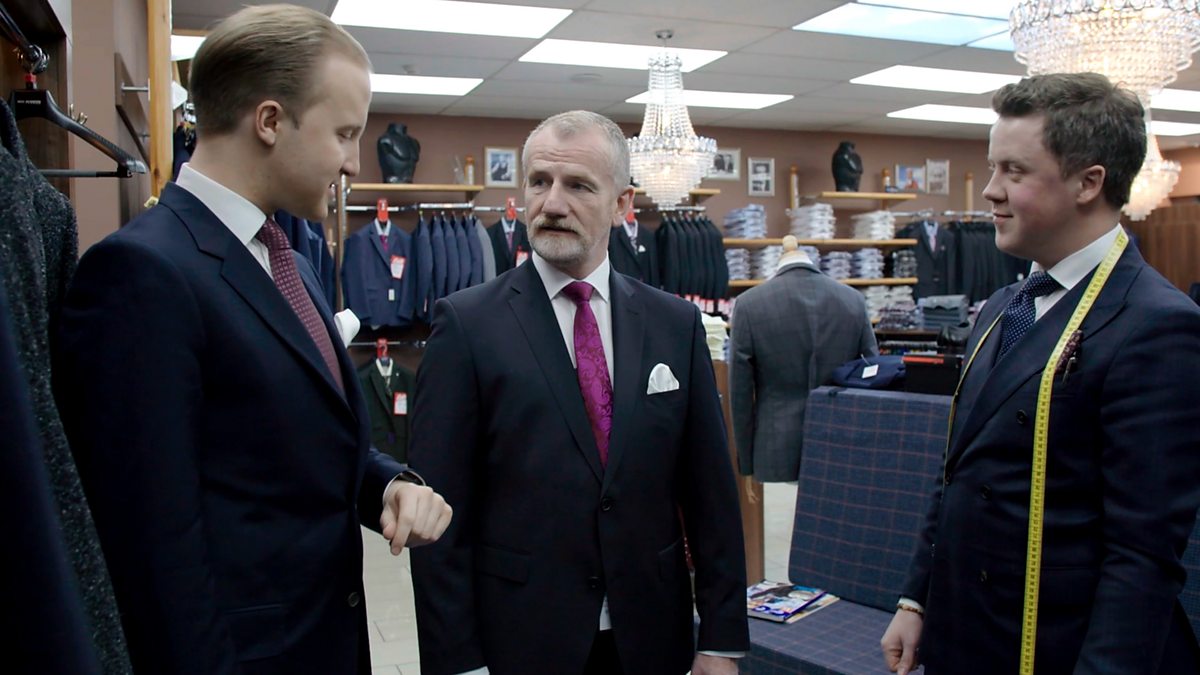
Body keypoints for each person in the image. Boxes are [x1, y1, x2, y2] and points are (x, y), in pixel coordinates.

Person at [53, 5, 451, 673]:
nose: (354, 163)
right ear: (269, 121)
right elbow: (151, 546)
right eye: (344, 134)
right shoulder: (142, 273)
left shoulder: (285, 259)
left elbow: (299, 446)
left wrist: (386, 485)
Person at [881, 72, 1200, 675]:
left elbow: (1142, 556)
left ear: (1088, 183)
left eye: (1014, 171)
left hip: (1059, 645)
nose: (990, 191)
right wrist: (916, 598)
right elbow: (957, 473)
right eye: (993, 168)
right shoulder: (1003, 306)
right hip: (967, 628)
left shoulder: (1158, 325)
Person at [409, 110, 749, 675]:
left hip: (652, 632)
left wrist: (720, 639)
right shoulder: (467, 325)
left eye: (579, 186)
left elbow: (710, 493)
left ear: (622, 204)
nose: (552, 203)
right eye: (539, 182)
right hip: (522, 636)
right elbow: (439, 511)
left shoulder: (674, 324)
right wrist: (458, 663)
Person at [729, 236, 877, 483]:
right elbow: (873, 375)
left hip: (775, 445)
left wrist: (745, 462)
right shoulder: (853, 300)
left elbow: (740, 394)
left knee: (781, 510)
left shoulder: (749, 304)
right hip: (841, 441)